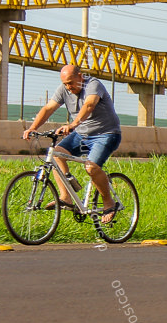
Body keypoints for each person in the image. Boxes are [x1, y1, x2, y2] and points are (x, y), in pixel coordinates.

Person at [22, 64, 122, 222]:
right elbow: (49, 108)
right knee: (56, 155)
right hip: (81, 134)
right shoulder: (64, 89)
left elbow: (89, 105)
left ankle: (109, 203)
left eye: (71, 83)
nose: (68, 87)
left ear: (80, 76)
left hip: (106, 134)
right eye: (65, 84)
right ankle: (66, 197)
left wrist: (73, 124)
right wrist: (33, 128)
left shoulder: (93, 84)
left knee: (91, 167)